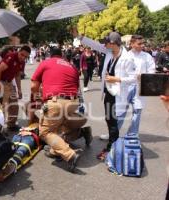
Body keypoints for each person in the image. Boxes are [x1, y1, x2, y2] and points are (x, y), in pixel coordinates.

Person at [74, 30, 137, 161]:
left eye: (106, 42)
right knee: (109, 120)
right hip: (108, 93)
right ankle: (112, 145)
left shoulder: (127, 58)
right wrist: (80, 37)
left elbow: (133, 78)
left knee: (113, 122)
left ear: (113, 43)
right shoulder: (109, 51)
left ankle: (111, 149)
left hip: (118, 95)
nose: (104, 45)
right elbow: (95, 44)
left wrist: (117, 79)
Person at [30, 47, 92, 172]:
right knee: (60, 127)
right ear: (62, 55)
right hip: (73, 103)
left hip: (56, 102)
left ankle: (69, 155)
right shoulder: (71, 66)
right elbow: (78, 89)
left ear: (50, 55)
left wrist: (39, 99)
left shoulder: (46, 63)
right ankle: (79, 134)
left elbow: (33, 86)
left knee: (45, 132)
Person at [100, 35, 156, 140]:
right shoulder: (124, 55)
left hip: (139, 87)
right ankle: (113, 134)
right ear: (131, 44)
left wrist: (143, 75)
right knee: (120, 112)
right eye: (139, 43)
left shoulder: (147, 56)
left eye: (143, 43)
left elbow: (152, 70)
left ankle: (132, 135)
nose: (142, 46)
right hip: (125, 87)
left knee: (137, 111)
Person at [0, 45, 31, 132]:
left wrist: (19, 89)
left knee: (14, 105)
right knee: (1, 106)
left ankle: (11, 124)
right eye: (22, 55)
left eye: (25, 56)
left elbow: (17, 75)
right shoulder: (11, 57)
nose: (23, 57)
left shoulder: (22, 62)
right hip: (1, 81)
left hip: (9, 82)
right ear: (19, 51)